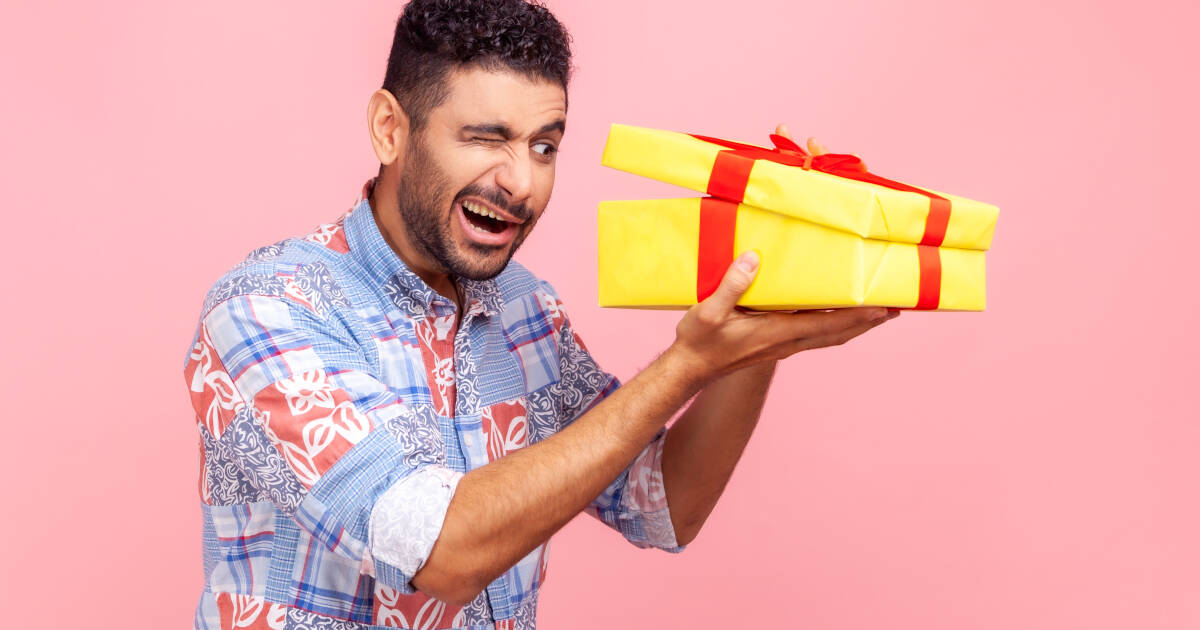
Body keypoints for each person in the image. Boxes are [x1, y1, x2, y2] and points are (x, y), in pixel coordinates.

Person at [182, 1, 898, 628]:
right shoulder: (266, 310)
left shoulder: (525, 310)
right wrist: (686, 366)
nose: (521, 182)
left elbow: (665, 503)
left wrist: (763, 320)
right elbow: (441, 552)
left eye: (545, 145)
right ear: (389, 129)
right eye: (485, 138)